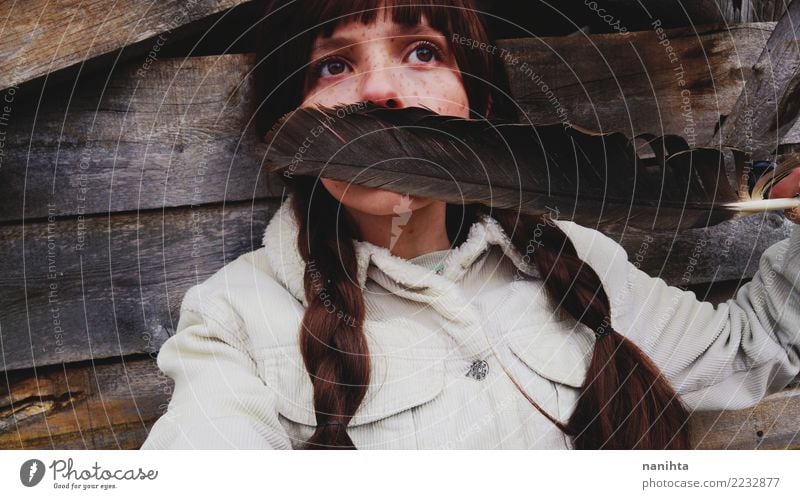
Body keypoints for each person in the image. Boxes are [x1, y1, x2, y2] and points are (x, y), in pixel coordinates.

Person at [140, 0, 800, 450]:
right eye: (334, 64)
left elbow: (750, 351)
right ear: (293, 127)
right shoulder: (234, 318)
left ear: (476, 107)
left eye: (422, 51)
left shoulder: (579, 260)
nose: (379, 92)